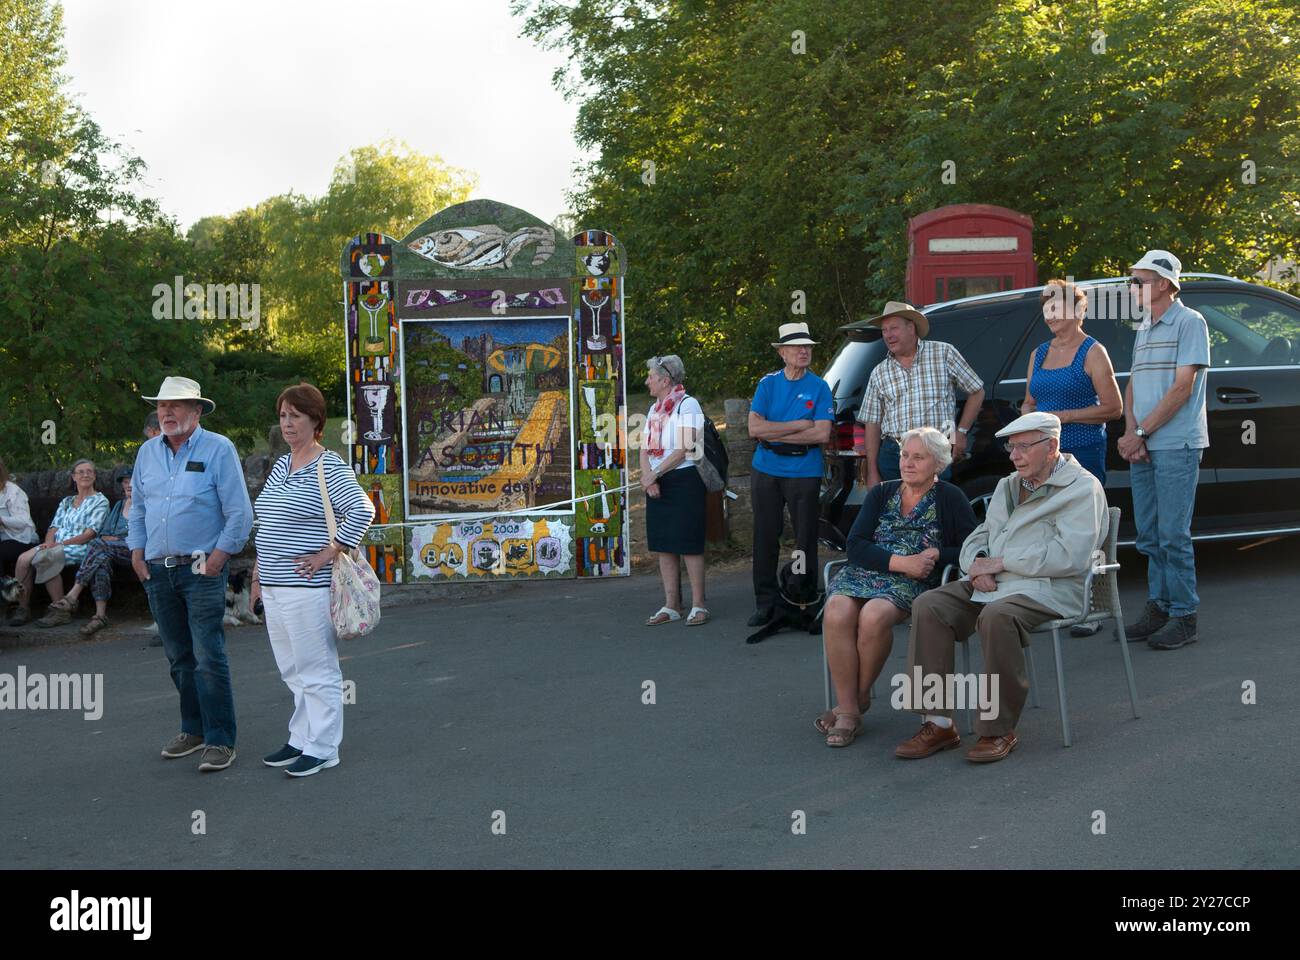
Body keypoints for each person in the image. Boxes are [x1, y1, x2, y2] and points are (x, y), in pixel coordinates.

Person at [895, 412, 1107, 763]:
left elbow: (1072, 555)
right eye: (1011, 447)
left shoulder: (1083, 488)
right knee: (929, 605)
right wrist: (977, 563)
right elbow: (981, 535)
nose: (1014, 455)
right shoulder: (1010, 484)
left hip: (1050, 589)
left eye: (1024, 447)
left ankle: (997, 729)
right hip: (993, 582)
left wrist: (1004, 563)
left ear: (1052, 446)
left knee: (996, 617)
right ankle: (938, 722)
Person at [816, 428, 977, 747]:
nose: (908, 463)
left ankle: (852, 705)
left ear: (938, 463)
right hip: (868, 571)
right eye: (905, 455)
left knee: (874, 614)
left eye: (918, 457)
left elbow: (971, 548)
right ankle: (852, 706)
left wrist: (935, 554)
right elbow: (856, 545)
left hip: (914, 581)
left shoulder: (949, 497)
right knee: (836, 608)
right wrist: (900, 562)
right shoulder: (882, 493)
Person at [128, 376, 253, 773]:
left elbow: (240, 514)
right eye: (163, 405)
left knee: (207, 655)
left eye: (177, 405)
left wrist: (218, 559)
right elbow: (140, 510)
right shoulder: (147, 453)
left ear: (197, 411)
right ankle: (193, 729)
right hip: (158, 570)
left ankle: (219, 739)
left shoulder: (219, 449)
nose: (167, 412)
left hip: (202, 566)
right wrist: (136, 553)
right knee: (179, 656)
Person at [251, 383, 374, 778]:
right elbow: (267, 523)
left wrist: (328, 552)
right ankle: (301, 737)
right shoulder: (283, 465)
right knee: (291, 668)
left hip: (307, 587)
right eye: (283, 415)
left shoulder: (328, 465)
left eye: (295, 416)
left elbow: (362, 509)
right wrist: (257, 576)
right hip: (273, 585)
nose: (287, 423)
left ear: (315, 421)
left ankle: (323, 747)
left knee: (316, 667)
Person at [1117, 250, 1211, 651]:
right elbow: (1135, 384)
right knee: (1151, 534)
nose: (1131, 287)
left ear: (1164, 284)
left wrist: (1140, 431)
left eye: (1138, 281)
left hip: (1176, 444)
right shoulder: (1144, 325)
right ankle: (1160, 607)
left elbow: (1181, 389)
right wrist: (1130, 431)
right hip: (1145, 441)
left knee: (1173, 534)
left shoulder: (1191, 322)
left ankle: (1184, 616)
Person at [747, 322, 835, 627]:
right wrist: (799, 425)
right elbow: (754, 429)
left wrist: (775, 433)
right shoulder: (768, 384)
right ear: (782, 353)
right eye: (797, 347)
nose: (804, 351)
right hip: (766, 469)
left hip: (803, 469)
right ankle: (765, 604)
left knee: (804, 539)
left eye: (808, 347)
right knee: (765, 536)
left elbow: (822, 434)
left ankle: (803, 599)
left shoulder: (819, 387)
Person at [856, 301, 985, 487]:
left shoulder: (943, 353)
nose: (888, 335)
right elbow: (872, 423)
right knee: (896, 514)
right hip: (894, 454)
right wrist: (872, 472)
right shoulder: (879, 371)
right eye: (884, 330)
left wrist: (961, 432)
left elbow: (977, 391)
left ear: (911, 328)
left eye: (894, 328)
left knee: (932, 511)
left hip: (935, 450)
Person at [1021, 279, 1123, 485]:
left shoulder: (1093, 352)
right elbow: (1029, 402)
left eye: (1056, 307)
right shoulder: (1038, 354)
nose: (1050, 315)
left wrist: (1063, 417)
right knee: (1045, 513)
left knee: (1082, 514)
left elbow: (1113, 408)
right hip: (1042, 453)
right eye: (1046, 309)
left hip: (1082, 453)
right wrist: (1030, 428)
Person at [639, 355, 709, 626]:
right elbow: (644, 448)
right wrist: (649, 477)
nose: (647, 381)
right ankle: (671, 605)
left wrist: (656, 473)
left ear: (665, 380)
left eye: (651, 377)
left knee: (689, 543)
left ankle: (699, 604)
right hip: (658, 480)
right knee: (664, 543)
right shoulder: (654, 409)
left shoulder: (688, 405)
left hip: (684, 479)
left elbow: (685, 449)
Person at [13, 460, 108, 627]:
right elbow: (53, 527)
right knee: (22, 559)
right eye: (80, 472)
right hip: (56, 545)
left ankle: (61, 610)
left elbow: (89, 534)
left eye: (89, 471)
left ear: (94, 476)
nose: (85, 475)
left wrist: (59, 544)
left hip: (82, 547)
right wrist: (49, 543)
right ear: (73, 477)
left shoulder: (100, 501)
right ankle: (22, 608)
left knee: (45, 558)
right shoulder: (66, 502)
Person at [42, 467, 135, 636]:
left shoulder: (147, 505)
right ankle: (100, 616)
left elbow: (144, 535)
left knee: (97, 545)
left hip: (137, 551)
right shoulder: (120, 505)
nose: (129, 485)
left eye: (133, 481)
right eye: (126, 482)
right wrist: (114, 540)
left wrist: (118, 539)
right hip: (113, 550)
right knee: (100, 559)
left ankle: (72, 596)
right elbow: (106, 534)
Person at [0, 456, 40, 582]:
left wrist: (1, 520)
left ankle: (4, 593)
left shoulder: (12, 491)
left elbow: (23, 521)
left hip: (22, 539)